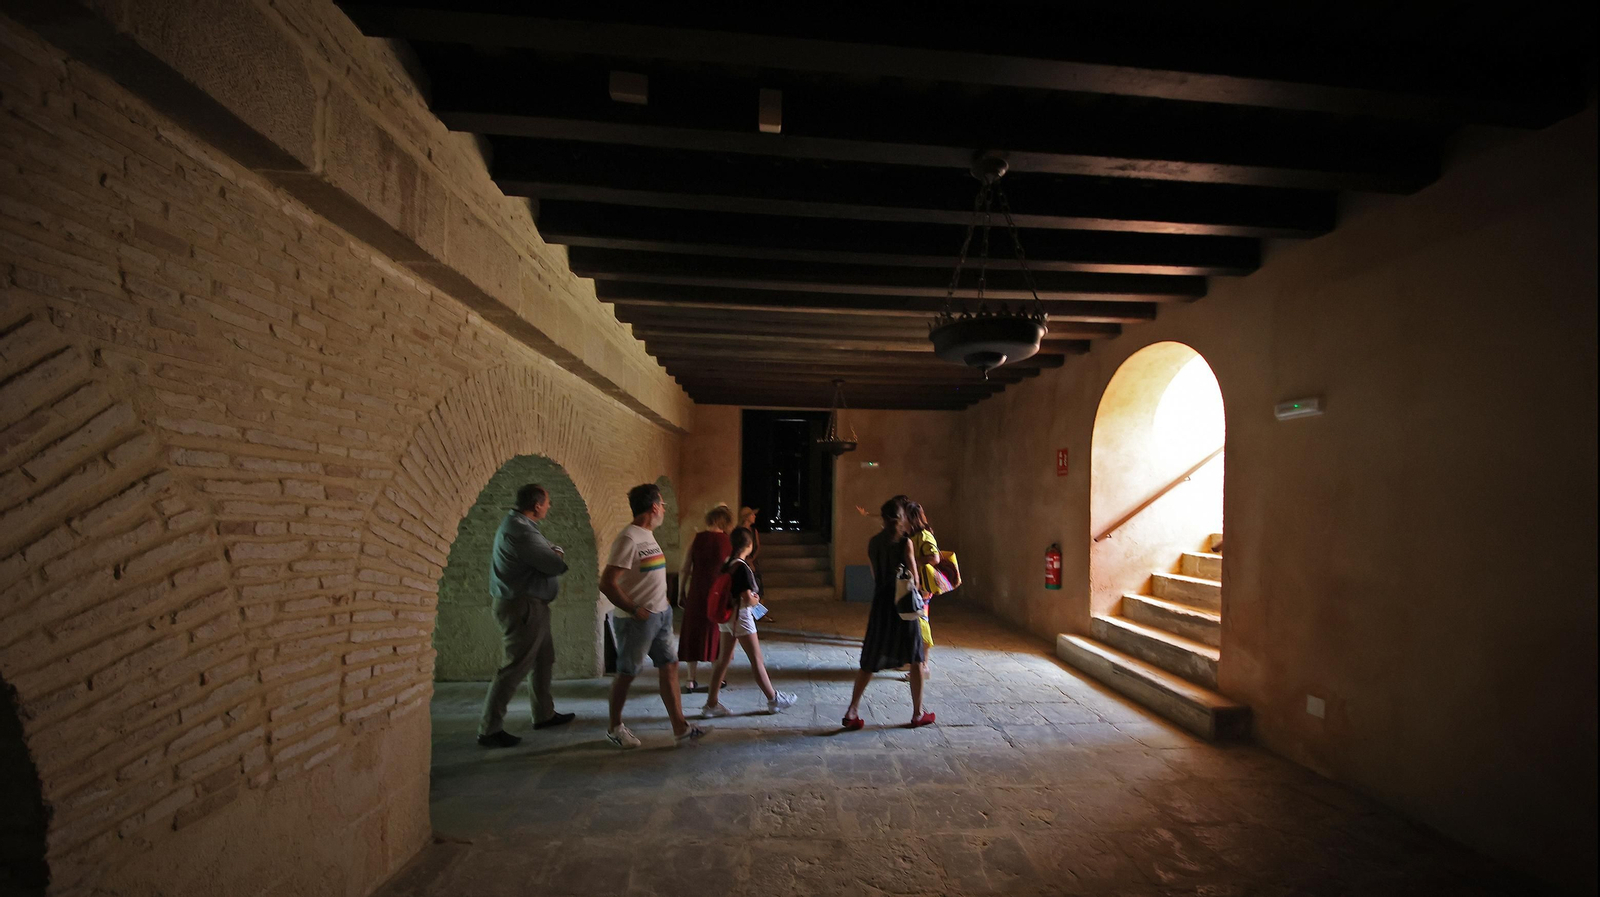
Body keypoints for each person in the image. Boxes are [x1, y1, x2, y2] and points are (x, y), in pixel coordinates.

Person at [600, 483, 709, 748]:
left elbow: (646, 574)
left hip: (661, 615)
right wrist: (634, 608)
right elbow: (607, 582)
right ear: (654, 507)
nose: (663, 510)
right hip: (637, 621)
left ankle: (680, 727)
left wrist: (662, 600)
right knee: (627, 672)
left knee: (670, 666)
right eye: (662, 505)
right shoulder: (629, 538)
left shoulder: (647, 535)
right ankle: (614, 727)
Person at [477, 484, 576, 748]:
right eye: (547, 503)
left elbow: (547, 552)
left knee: (544, 660)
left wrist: (551, 550)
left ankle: (544, 714)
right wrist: (556, 552)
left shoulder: (521, 526)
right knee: (514, 667)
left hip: (532, 606)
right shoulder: (521, 531)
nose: (549, 506)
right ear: (536, 506)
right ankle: (489, 728)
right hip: (523, 606)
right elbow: (555, 564)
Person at [841, 497, 933, 730]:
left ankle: (852, 711)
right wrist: (918, 594)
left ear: (883, 519)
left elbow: (875, 574)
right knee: (915, 657)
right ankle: (917, 713)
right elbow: (914, 575)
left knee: (870, 656)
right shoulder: (905, 543)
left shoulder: (873, 543)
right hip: (903, 602)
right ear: (902, 519)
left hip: (881, 602)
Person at [701, 527, 798, 717]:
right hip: (741, 617)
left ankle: (710, 704)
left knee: (722, 660)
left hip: (727, 618)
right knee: (757, 660)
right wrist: (756, 600)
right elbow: (746, 598)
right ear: (750, 545)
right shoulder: (742, 567)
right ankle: (774, 700)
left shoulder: (728, 563)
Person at [678, 504, 732, 692]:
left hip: (697, 591)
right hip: (717, 593)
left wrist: (680, 591)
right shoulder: (727, 542)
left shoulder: (697, 538)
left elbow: (685, 567)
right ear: (724, 522)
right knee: (717, 632)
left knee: (693, 631)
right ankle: (718, 678)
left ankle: (690, 679)